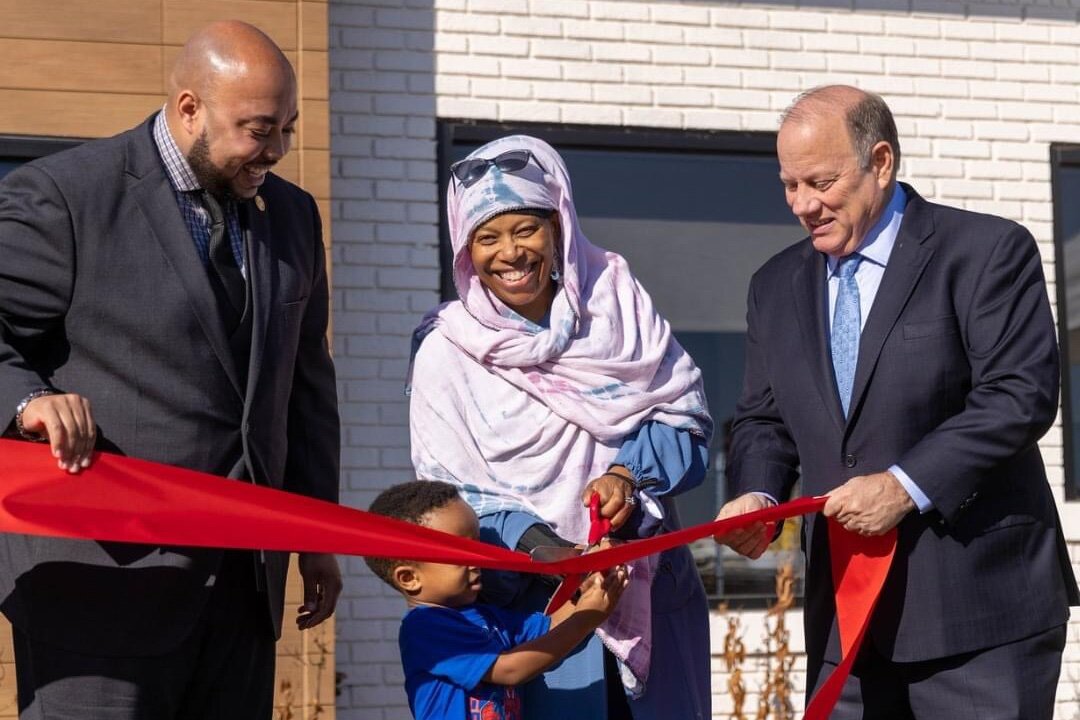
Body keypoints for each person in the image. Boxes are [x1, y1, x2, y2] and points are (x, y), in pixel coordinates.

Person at [0, 20, 341, 719]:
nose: (276, 150)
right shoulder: (65, 197)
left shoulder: (296, 218)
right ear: (190, 108)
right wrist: (29, 399)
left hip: (243, 595)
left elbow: (304, 388)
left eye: (288, 128)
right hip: (96, 595)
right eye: (258, 128)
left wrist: (318, 535)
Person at [715, 85, 1079, 719]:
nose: (802, 205)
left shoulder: (985, 252)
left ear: (880, 162)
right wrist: (760, 496)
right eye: (789, 185)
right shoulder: (773, 285)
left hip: (980, 618)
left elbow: (1018, 396)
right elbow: (763, 419)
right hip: (847, 630)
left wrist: (904, 486)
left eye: (820, 182)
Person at [408, 134, 713, 720]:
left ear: (559, 226)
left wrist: (629, 474)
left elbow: (689, 425)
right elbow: (450, 496)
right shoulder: (447, 352)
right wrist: (554, 552)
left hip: (646, 585)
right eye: (487, 237)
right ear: (463, 250)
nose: (510, 253)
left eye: (525, 229)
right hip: (531, 611)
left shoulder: (617, 304)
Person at [367, 480, 629, 720]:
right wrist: (585, 619)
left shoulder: (484, 617)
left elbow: (548, 626)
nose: (477, 560)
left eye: (478, 546)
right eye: (461, 552)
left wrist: (592, 588)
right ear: (409, 578)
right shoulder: (424, 629)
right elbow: (511, 670)